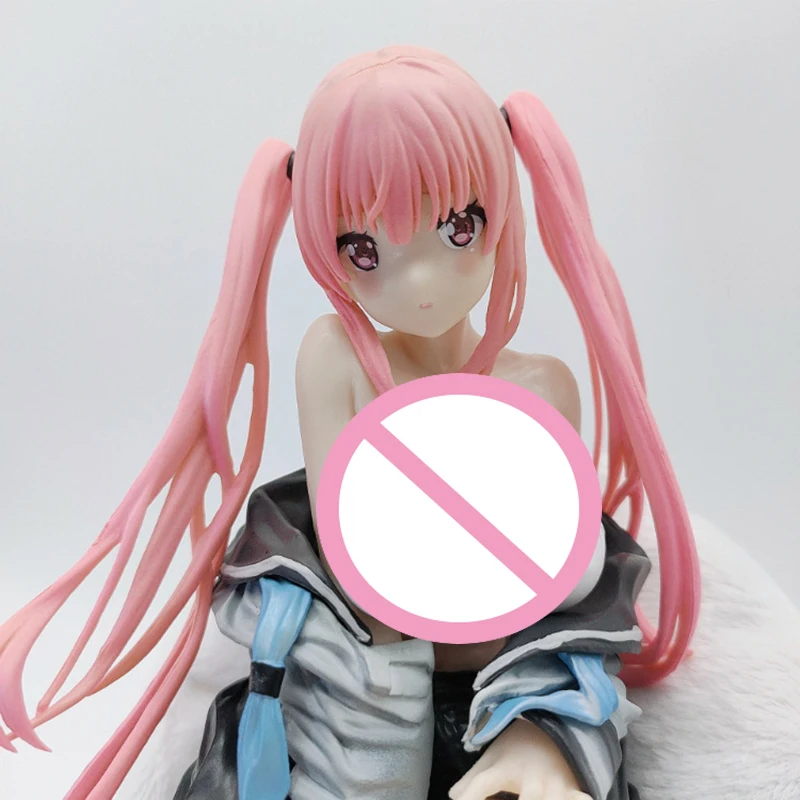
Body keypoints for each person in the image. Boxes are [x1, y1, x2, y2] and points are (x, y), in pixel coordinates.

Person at [0, 46, 701, 800]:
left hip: (504, 677)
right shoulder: (337, 358)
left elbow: (556, 577)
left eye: (458, 226)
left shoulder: (542, 387)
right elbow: (356, 550)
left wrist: (540, 723)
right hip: (359, 678)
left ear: (501, 203)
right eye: (363, 250)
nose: (420, 281)